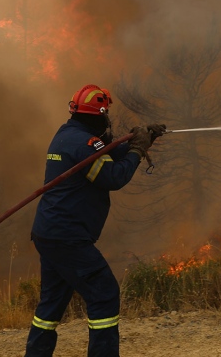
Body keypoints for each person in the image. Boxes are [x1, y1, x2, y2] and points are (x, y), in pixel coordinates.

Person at [25, 84, 164, 357]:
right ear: (98, 115)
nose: (107, 119)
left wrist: (142, 140)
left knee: (50, 306)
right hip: (69, 237)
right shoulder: (87, 143)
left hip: (49, 233)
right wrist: (137, 150)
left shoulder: (67, 134)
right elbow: (113, 177)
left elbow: (106, 157)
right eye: (105, 114)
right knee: (104, 294)